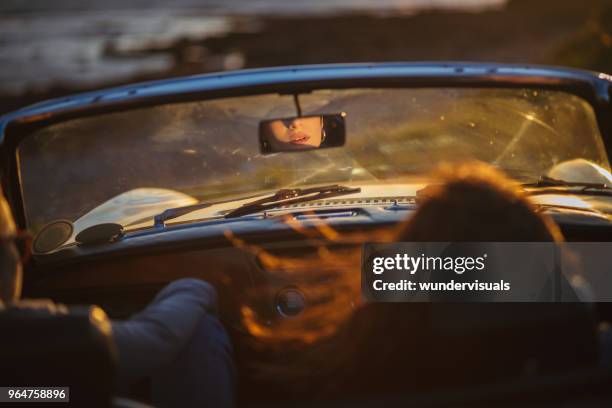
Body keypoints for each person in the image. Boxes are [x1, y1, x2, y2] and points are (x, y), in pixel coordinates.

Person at [0, 189, 235, 408]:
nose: (25, 256)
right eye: (20, 246)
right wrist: (197, 285)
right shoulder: (25, 330)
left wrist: (55, 393)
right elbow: (153, 341)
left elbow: (24, 393)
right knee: (201, 330)